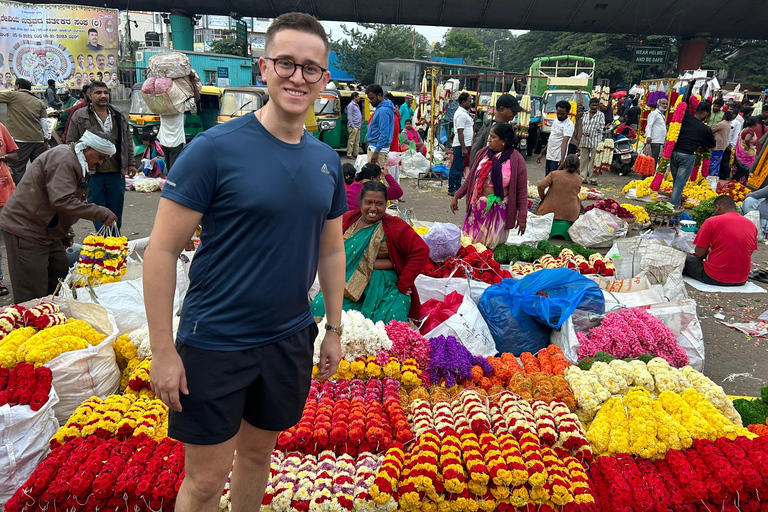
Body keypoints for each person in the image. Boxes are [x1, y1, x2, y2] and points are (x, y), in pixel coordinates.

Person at [143, 13, 346, 512]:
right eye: (286, 63)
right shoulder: (214, 150)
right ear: (263, 68)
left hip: (288, 338)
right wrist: (163, 351)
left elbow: (332, 249)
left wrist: (334, 328)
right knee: (206, 482)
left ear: (324, 79)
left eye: (310, 68)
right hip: (215, 342)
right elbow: (161, 251)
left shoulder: (326, 160)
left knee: (259, 457)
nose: (297, 77)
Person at [0, 129, 118, 303]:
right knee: (32, 291)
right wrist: (100, 212)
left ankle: (51, 320)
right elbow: (62, 200)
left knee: (58, 279)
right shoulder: (64, 160)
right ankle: (31, 325)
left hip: (47, 228)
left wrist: (64, 231)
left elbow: (66, 201)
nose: (100, 162)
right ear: (87, 148)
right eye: (100, 157)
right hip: (26, 228)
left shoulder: (79, 161)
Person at [312, 180, 429, 323]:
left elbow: (421, 251)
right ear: (360, 203)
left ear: (385, 205)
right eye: (368, 202)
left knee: (390, 317)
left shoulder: (395, 226)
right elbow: (331, 246)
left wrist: (404, 283)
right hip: (345, 281)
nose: (373, 208)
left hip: (382, 284)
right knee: (320, 306)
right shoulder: (349, 219)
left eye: (379, 204)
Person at [66, 80, 136, 230]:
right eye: (98, 93)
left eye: (105, 92)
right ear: (89, 95)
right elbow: (71, 142)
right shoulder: (80, 115)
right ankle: (102, 241)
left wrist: (131, 162)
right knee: (97, 208)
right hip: (92, 172)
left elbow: (127, 140)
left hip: (116, 171)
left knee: (116, 209)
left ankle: (115, 242)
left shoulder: (118, 114)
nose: (103, 96)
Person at [451, 123, 528, 248]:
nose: (489, 140)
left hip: (499, 211)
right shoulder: (483, 154)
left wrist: (522, 217)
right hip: (477, 208)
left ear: (503, 141)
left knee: (490, 248)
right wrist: (457, 195)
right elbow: (471, 178)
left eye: (493, 137)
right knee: (470, 246)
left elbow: (522, 191)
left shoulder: (516, 160)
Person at [683, 195, 756, 286]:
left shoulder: (712, 221)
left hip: (714, 277)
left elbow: (699, 254)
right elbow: (748, 251)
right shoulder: (751, 225)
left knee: (682, 259)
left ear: (717, 208)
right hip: (741, 279)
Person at [0, 78, 49, 185]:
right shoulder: (38, 101)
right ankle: (41, 195)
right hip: (38, 140)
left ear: (17, 86)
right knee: (40, 170)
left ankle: (22, 197)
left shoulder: (13, 95)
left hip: (20, 140)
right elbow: (45, 123)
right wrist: (45, 139)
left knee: (18, 169)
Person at [669, 102, 716, 207]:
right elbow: (712, 144)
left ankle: (674, 205)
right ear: (704, 114)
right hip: (687, 156)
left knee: (676, 182)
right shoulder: (705, 129)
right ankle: (673, 208)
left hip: (674, 153)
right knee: (679, 184)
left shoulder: (685, 119)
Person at [470, 94, 524, 168]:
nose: (515, 114)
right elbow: (486, 154)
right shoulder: (494, 129)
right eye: (513, 111)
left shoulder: (501, 127)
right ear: (502, 109)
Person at [0, 121, 20, 296]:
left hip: (6, 194)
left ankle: (20, 279)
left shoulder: (0, 127)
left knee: (13, 240)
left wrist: (2, 157)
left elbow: (15, 156)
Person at [536, 154, 582, 224]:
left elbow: (540, 186)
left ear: (564, 164)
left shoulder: (554, 174)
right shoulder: (579, 179)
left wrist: (543, 198)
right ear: (578, 167)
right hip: (570, 215)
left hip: (548, 213)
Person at [537, 100, 573, 176]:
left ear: (567, 113)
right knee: (548, 178)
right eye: (558, 113)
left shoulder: (569, 125)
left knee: (555, 180)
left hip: (558, 158)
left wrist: (562, 159)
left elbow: (565, 142)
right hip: (549, 156)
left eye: (562, 114)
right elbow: (551, 138)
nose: (559, 116)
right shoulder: (556, 120)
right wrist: (542, 153)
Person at [448, 92, 474, 196]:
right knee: (456, 167)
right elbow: (460, 131)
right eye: (469, 101)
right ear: (463, 102)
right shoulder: (460, 114)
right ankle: (452, 188)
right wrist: (463, 148)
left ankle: (458, 187)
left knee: (459, 167)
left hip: (465, 144)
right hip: (460, 145)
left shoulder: (464, 113)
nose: (470, 103)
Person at [365, 84, 395, 168]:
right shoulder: (383, 108)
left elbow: (384, 134)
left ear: (379, 96)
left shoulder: (383, 111)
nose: (370, 101)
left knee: (375, 178)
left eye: (372, 98)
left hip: (378, 149)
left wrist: (376, 152)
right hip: (378, 148)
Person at [579, 98, 606, 185]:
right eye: (593, 105)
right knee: (583, 160)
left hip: (595, 140)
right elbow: (581, 125)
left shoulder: (601, 115)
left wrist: (594, 131)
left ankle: (593, 178)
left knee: (594, 160)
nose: (594, 107)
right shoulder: (585, 114)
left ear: (598, 106)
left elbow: (602, 127)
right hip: (584, 140)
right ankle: (583, 177)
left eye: (596, 105)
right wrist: (583, 132)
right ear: (590, 105)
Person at [733, 117, 759, 183]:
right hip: (746, 155)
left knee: (738, 170)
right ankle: (739, 184)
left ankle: (735, 182)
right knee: (743, 172)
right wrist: (748, 146)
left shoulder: (745, 129)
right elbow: (747, 139)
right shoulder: (751, 131)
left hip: (740, 153)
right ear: (755, 124)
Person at [645, 97, 668, 164]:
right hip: (654, 140)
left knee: (656, 159)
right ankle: (649, 174)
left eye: (666, 104)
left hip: (660, 141)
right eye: (663, 104)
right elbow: (649, 126)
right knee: (653, 160)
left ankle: (652, 173)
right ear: (658, 105)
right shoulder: (654, 114)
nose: (665, 105)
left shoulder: (661, 115)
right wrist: (649, 136)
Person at [711, 110, 733, 176]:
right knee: (717, 163)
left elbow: (712, 130)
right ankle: (714, 176)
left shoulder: (721, 124)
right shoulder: (729, 124)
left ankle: (711, 176)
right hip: (723, 145)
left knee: (713, 162)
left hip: (717, 145)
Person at [345, 91, 362, 159]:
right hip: (354, 126)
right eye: (358, 96)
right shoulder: (351, 105)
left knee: (357, 141)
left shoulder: (356, 105)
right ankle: (349, 154)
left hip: (357, 126)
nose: (359, 98)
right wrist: (352, 125)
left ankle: (355, 154)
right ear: (354, 97)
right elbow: (350, 116)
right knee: (351, 141)